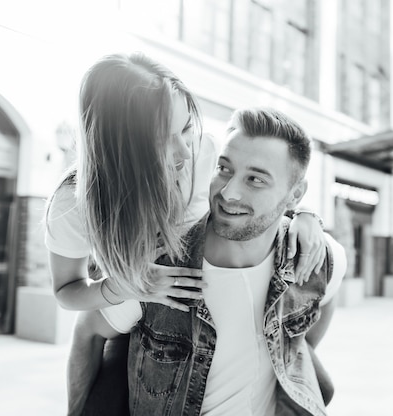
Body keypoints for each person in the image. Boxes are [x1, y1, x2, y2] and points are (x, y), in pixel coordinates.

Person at [45, 53, 328, 416]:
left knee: (321, 388)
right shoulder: (74, 203)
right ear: (122, 143)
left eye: (185, 129)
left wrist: (304, 214)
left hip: (205, 294)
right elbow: (66, 293)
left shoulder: (202, 151)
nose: (184, 150)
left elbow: (263, 192)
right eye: (165, 138)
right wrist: (128, 286)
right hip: (139, 310)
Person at [101, 107, 347, 415]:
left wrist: (296, 352)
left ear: (295, 194)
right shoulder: (159, 266)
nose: (229, 192)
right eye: (225, 169)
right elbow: (91, 334)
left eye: (255, 179)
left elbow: (329, 292)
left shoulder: (318, 256)